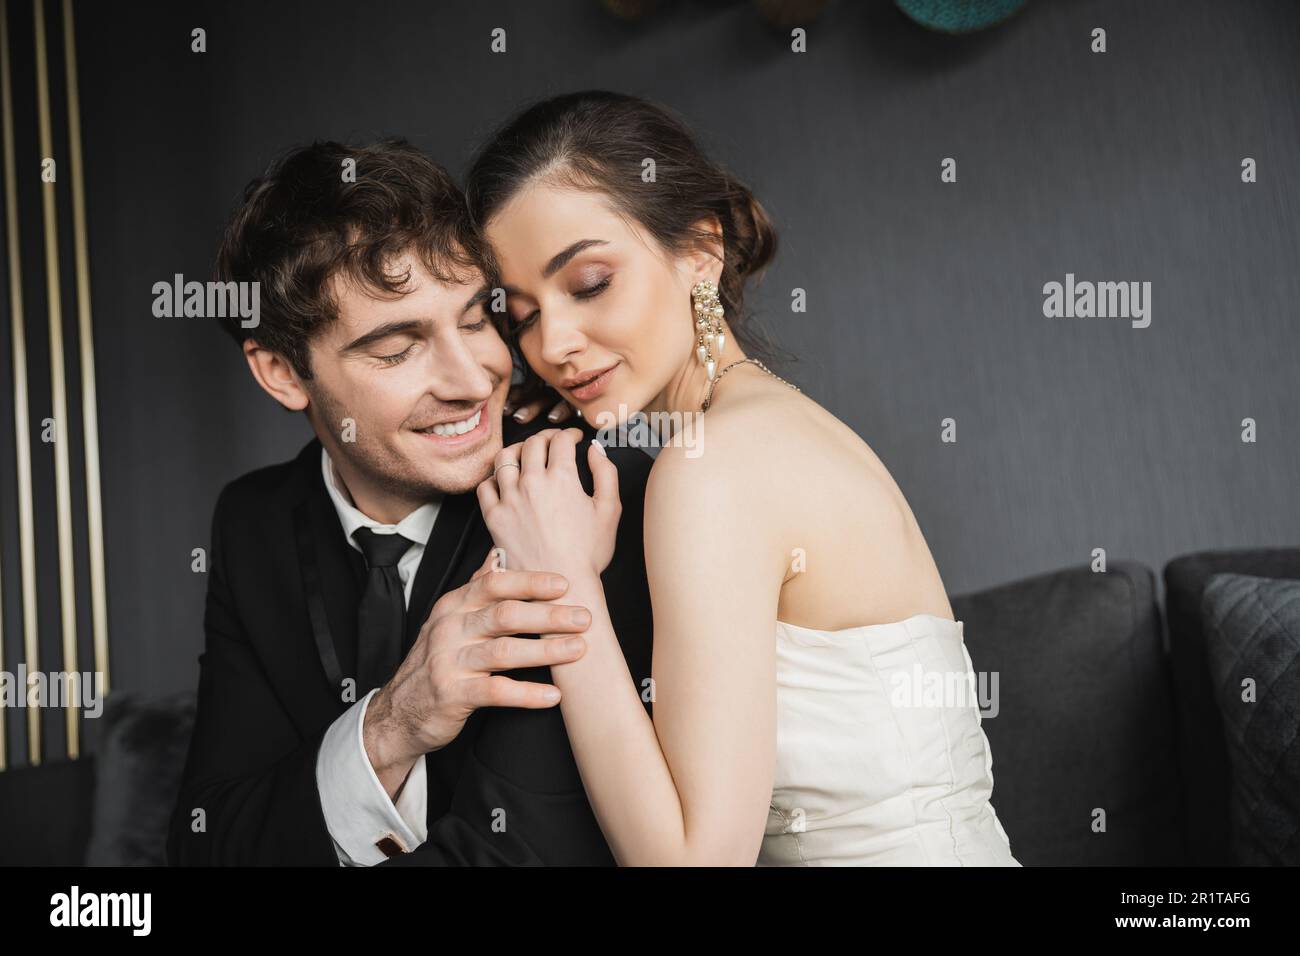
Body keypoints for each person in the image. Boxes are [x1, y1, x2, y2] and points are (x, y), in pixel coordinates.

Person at [465, 91, 1021, 866]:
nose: (553, 343)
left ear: (699, 250)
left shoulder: (712, 468)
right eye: (521, 314)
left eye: (589, 284)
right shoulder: (776, 430)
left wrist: (565, 585)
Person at [167, 138, 655, 866]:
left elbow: (524, 853)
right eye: (398, 348)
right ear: (280, 372)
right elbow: (212, 841)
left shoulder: (575, 486)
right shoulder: (252, 522)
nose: (474, 379)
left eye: (473, 320)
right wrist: (391, 724)